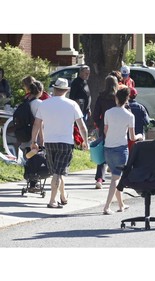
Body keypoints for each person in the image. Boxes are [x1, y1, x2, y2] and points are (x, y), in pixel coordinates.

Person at [30, 78, 89, 209]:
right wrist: (85, 141)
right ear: (66, 90)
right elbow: (82, 126)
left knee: (57, 171)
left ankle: (63, 196)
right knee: (58, 172)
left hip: (49, 142)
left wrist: (34, 141)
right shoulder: (72, 104)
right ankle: (52, 200)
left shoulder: (44, 104)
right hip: (66, 142)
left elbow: (36, 124)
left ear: (54, 89)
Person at [102, 87, 143, 215]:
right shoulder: (129, 115)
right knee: (116, 178)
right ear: (127, 100)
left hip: (108, 147)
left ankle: (121, 204)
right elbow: (132, 137)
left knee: (116, 177)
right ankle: (107, 206)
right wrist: (139, 136)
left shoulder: (108, 113)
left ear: (116, 98)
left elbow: (105, 131)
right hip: (121, 149)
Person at [92, 75, 118, 189]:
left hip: (104, 126)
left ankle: (99, 178)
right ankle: (116, 176)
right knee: (117, 149)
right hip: (117, 126)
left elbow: (95, 114)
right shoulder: (117, 97)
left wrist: (99, 123)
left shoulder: (101, 97)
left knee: (103, 150)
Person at [20, 81, 46, 192]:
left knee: (28, 158)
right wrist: (41, 138)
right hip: (34, 136)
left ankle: (30, 182)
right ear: (40, 91)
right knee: (36, 159)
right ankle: (33, 184)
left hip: (24, 134)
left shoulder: (26, 101)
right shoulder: (40, 103)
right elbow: (39, 123)